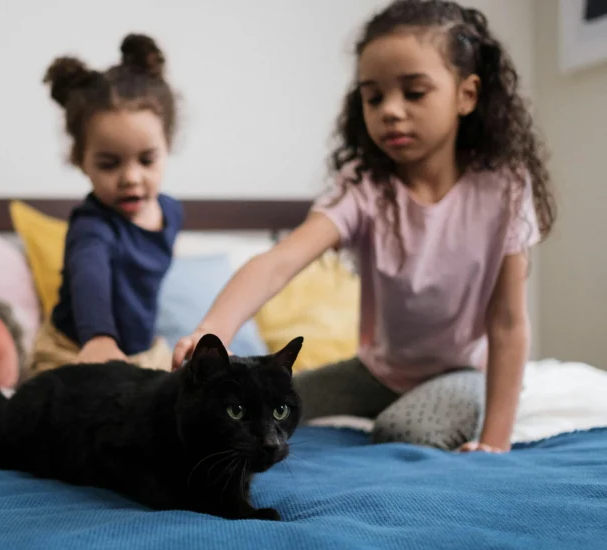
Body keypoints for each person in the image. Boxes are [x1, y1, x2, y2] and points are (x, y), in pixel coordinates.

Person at [172, 0, 556, 453]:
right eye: (374, 97)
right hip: (374, 372)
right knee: (249, 402)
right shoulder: (364, 187)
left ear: (466, 95)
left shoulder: (504, 188)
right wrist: (209, 329)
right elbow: (279, 262)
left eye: (413, 93)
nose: (390, 110)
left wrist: (495, 441)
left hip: (460, 373)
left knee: (405, 432)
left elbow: (509, 323)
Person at [29, 34, 183, 375]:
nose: (130, 177)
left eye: (146, 160)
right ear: (80, 160)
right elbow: (90, 277)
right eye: (110, 164)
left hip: (141, 351)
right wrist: (98, 337)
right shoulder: (91, 227)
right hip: (76, 349)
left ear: (167, 147)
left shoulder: (171, 212)